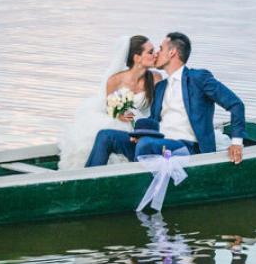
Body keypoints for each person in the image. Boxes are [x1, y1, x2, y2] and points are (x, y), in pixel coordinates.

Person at [85, 32, 246, 167]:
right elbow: (154, 120)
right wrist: (138, 132)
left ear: (172, 53)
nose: (156, 53)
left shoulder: (199, 78)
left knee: (146, 144)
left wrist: (236, 142)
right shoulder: (160, 86)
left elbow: (236, 104)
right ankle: (86, 182)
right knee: (106, 136)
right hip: (158, 144)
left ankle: (134, 186)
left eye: (160, 49)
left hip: (188, 148)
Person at [57, 35, 165, 169]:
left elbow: (158, 109)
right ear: (137, 58)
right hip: (122, 122)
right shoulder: (115, 80)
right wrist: (121, 114)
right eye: (150, 52)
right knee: (101, 132)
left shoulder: (156, 78)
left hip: (143, 123)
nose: (155, 55)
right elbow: (111, 108)